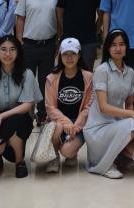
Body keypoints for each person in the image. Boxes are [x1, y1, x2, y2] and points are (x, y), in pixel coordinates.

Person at [83, 29, 134, 179]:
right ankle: (106, 165)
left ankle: (118, 156)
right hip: (98, 128)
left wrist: (132, 119)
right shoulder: (102, 70)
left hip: (116, 125)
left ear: (127, 47)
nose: (118, 48)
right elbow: (103, 107)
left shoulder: (130, 72)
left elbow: (129, 104)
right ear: (108, 48)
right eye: (114, 45)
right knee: (132, 125)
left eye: (122, 44)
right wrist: (132, 115)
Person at [0, 35, 42, 178]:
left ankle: (19, 162)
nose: (8, 54)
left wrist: (1, 116)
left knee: (15, 120)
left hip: (19, 119)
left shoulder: (26, 74)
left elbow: (27, 105)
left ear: (18, 52)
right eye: (3, 49)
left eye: (12, 49)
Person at [16, 0, 60, 124]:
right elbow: (20, 19)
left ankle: (42, 114)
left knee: (45, 82)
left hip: (48, 45)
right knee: (26, 80)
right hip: (28, 45)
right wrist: (19, 41)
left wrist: (58, 41)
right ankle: (26, 115)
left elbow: (59, 20)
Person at [44, 37, 94, 173]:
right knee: (57, 127)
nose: (69, 58)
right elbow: (50, 107)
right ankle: (53, 156)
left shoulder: (88, 77)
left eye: (73, 54)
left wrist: (76, 126)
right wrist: (66, 123)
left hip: (79, 123)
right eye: (65, 54)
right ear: (60, 56)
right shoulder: (51, 78)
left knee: (67, 151)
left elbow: (88, 107)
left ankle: (71, 152)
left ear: (79, 55)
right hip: (59, 122)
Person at [56, 0, 103, 70]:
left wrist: (95, 30)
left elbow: (101, 15)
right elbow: (59, 13)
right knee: (68, 70)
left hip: (89, 41)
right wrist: (65, 29)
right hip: (68, 39)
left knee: (87, 71)